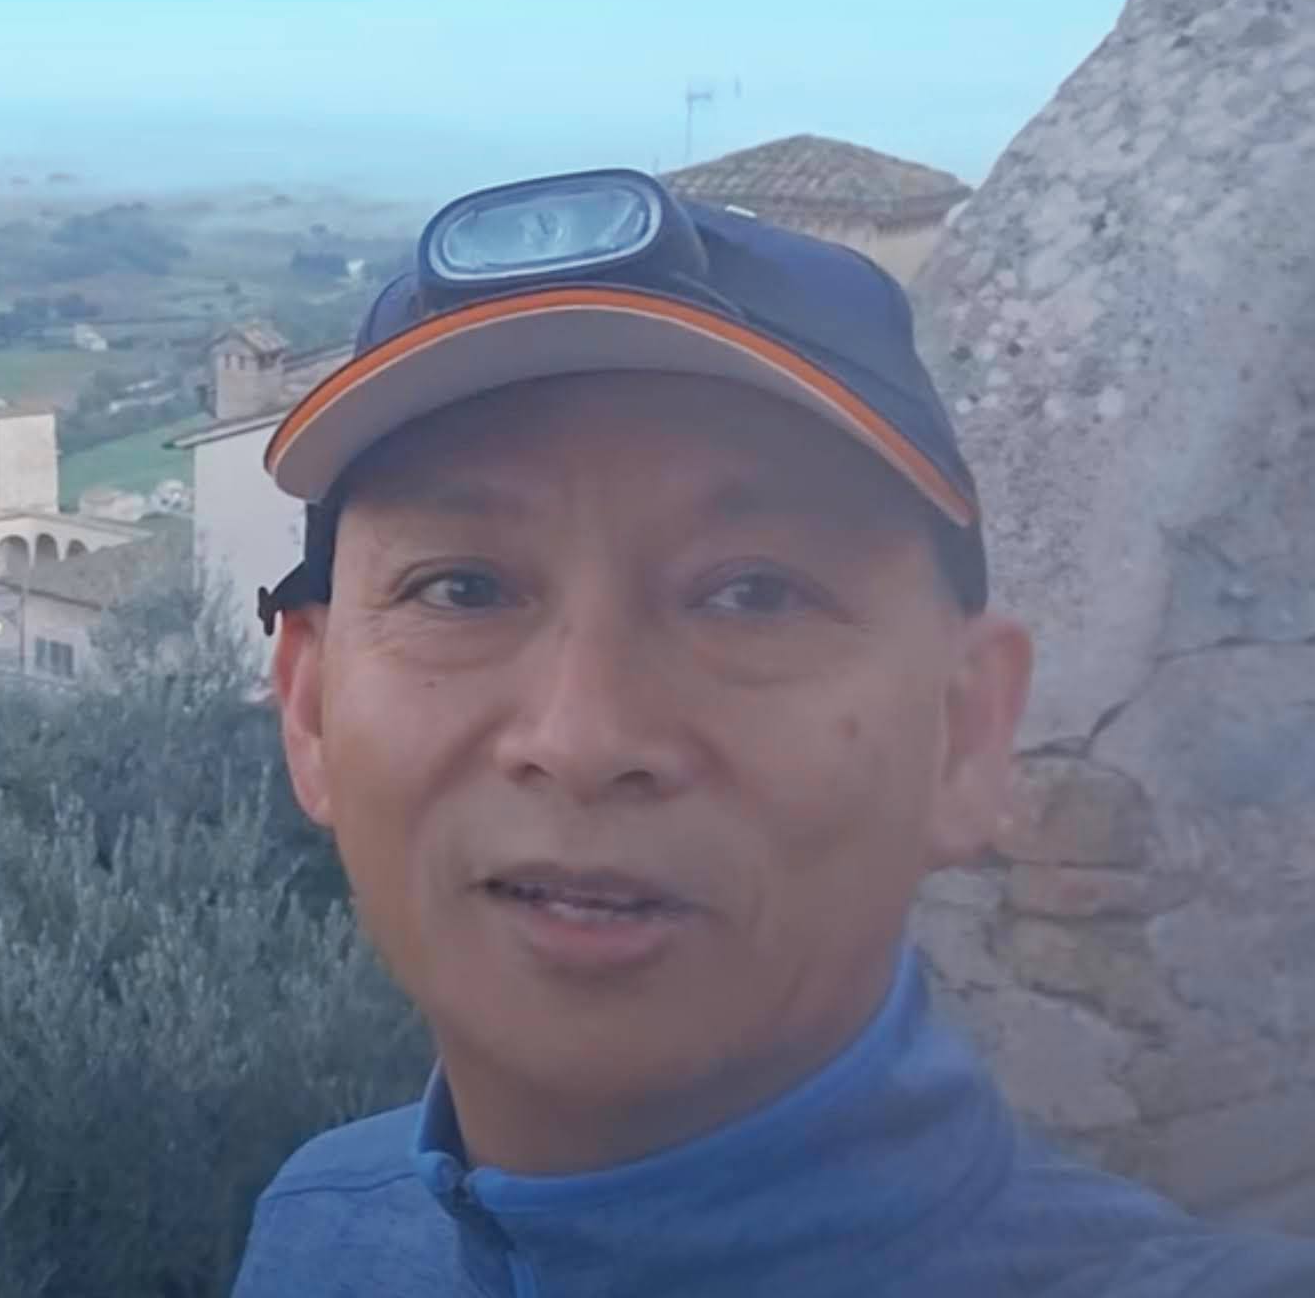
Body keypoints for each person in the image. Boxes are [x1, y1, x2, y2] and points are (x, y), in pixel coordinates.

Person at [232, 169, 1315, 1296]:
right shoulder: (320, 1233)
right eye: (461, 589)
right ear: (309, 711)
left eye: (753, 594)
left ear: (963, 732)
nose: (583, 735)